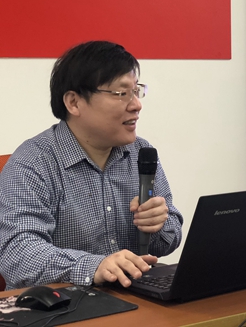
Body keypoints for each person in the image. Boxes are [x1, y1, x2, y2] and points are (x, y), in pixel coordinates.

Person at [0, 41, 183, 290]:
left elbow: (168, 241)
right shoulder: (33, 162)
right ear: (74, 103)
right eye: (121, 93)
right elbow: (18, 253)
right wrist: (94, 267)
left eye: (136, 91)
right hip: (60, 304)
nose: (136, 105)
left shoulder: (141, 153)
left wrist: (158, 223)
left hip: (131, 294)